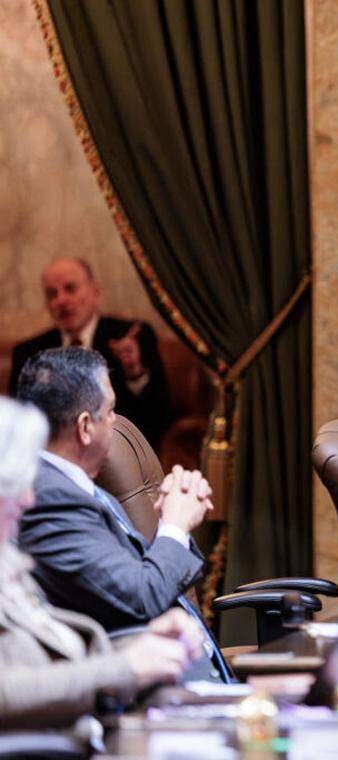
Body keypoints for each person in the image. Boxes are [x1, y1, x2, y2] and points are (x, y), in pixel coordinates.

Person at [15, 347, 230, 681]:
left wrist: (174, 517)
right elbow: (142, 599)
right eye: (111, 410)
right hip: (147, 686)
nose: (116, 421)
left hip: (179, 667)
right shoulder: (47, 500)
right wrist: (175, 525)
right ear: (85, 427)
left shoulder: (76, 484)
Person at [0, 395, 201, 733]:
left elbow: (57, 654)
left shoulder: (10, 563)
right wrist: (126, 668)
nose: (28, 499)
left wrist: (142, 644)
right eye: (16, 485)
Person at [8, 257, 171, 447]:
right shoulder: (29, 353)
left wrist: (134, 373)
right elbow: (18, 423)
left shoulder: (130, 336)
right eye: (52, 294)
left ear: (95, 292)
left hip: (117, 448)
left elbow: (159, 414)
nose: (61, 300)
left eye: (70, 289)